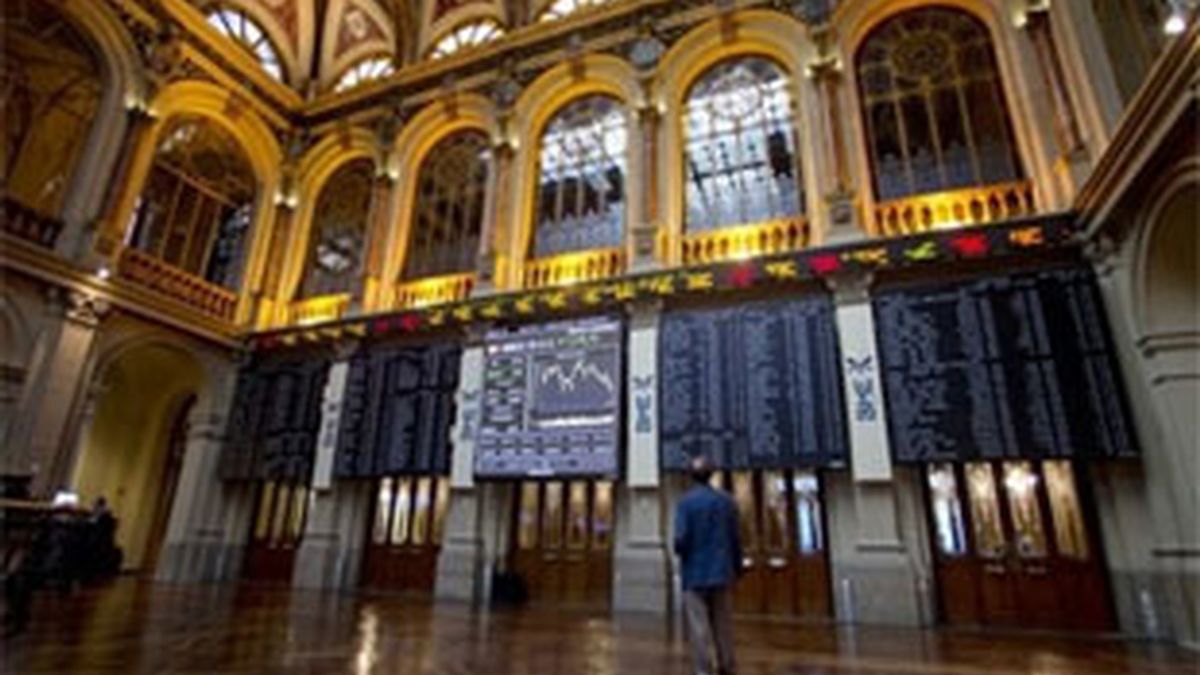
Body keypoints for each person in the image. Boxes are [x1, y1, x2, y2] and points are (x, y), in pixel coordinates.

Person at [674, 455, 742, 675]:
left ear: (691, 476)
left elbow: (681, 538)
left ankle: (703, 669)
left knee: (698, 625)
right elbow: (735, 538)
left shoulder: (686, 503)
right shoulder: (726, 501)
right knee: (723, 623)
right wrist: (736, 566)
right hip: (721, 571)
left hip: (694, 572)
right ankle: (727, 664)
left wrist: (680, 552)